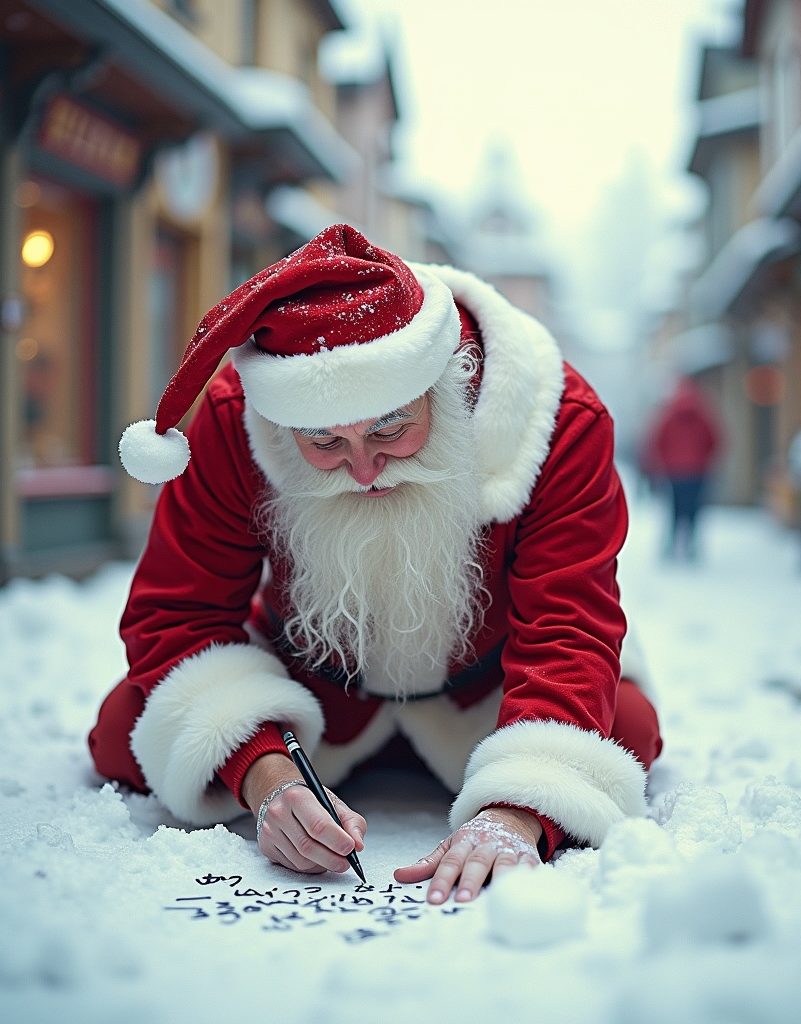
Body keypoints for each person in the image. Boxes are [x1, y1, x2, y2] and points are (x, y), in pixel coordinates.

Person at [90, 224, 662, 905]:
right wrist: (264, 772)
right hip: (312, 687)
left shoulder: (559, 421)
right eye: (324, 441)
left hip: (490, 692)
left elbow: (567, 626)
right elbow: (178, 612)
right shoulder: (234, 419)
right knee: (123, 731)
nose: (363, 469)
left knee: (626, 727)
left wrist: (518, 809)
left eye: (391, 428)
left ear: (451, 380)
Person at [646, 377, 721, 560]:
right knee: (694, 509)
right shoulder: (703, 415)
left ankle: (671, 546)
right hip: (697, 471)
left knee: (674, 509)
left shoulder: (669, 415)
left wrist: (664, 463)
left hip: (674, 472)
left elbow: (657, 440)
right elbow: (714, 439)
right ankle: (692, 546)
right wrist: (704, 460)